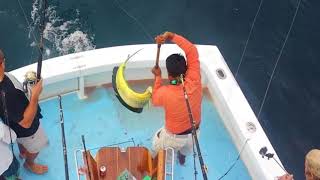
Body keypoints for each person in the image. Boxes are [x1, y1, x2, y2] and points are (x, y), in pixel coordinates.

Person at [151, 32, 202, 165]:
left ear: (169, 75)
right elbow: (191, 49)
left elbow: (155, 100)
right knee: (186, 150)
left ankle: (159, 166)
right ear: (186, 68)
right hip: (195, 134)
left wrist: (157, 77)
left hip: (174, 138)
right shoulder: (195, 77)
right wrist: (171, 36)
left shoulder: (165, 93)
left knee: (158, 149)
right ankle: (182, 157)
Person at [0, 49, 48, 174]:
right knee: (35, 149)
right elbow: (26, 123)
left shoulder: (7, 85)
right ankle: (29, 164)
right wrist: (35, 95)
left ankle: (22, 151)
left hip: (12, 126)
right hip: (28, 131)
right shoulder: (10, 94)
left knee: (21, 142)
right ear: (2, 62)